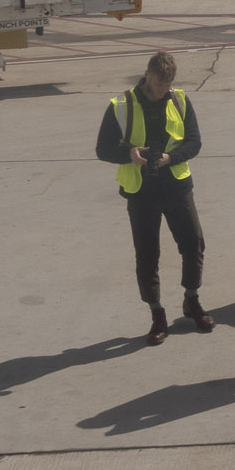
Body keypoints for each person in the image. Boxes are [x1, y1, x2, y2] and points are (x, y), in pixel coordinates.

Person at [96, 51, 212, 346]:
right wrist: (129, 154)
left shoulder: (180, 100)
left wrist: (170, 157)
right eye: (159, 85)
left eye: (168, 85)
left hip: (176, 186)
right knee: (148, 255)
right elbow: (103, 149)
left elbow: (194, 142)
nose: (163, 91)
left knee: (193, 243)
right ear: (148, 75)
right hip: (141, 192)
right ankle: (157, 313)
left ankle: (191, 299)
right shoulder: (121, 105)